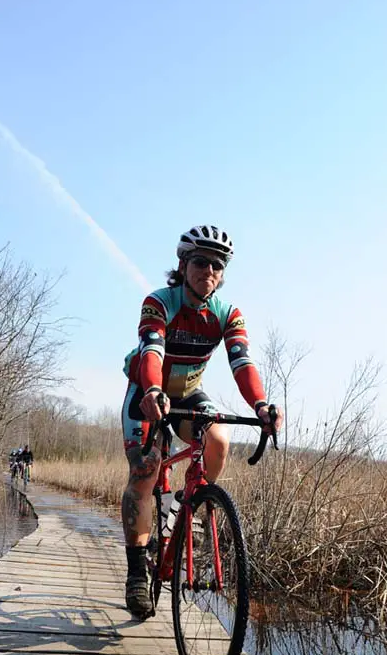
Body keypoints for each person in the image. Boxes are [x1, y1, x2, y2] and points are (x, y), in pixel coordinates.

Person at [119, 224, 282, 619]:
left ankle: (188, 510)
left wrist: (261, 405)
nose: (208, 271)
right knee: (146, 470)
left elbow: (242, 363)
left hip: (189, 391)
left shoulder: (228, 314)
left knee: (219, 442)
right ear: (182, 264)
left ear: (222, 274)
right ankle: (138, 571)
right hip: (148, 388)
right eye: (200, 262)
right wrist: (155, 390)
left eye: (217, 265)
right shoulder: (159, 301)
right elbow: (153, 350)